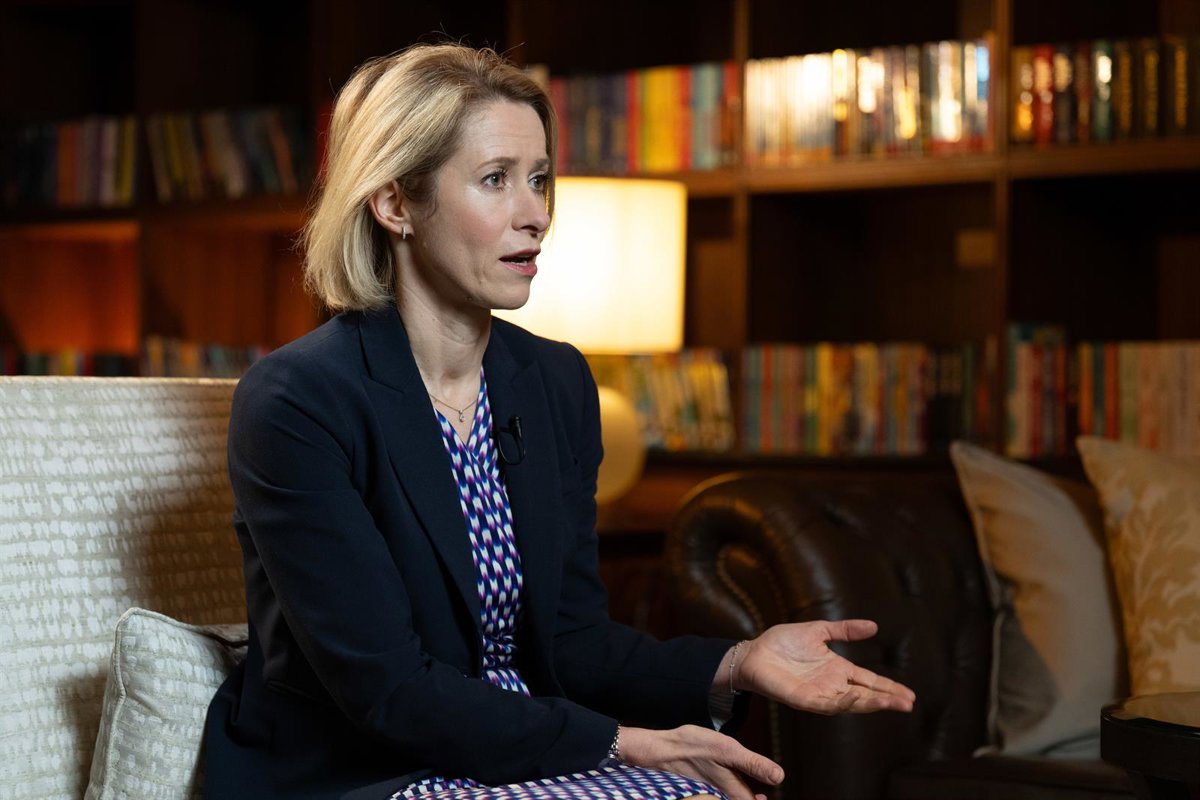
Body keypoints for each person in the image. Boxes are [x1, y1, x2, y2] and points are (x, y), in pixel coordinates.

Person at [202, 42, 915, 800]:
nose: (536, 214)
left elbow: (571, 640)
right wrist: (623, 745)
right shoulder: (298, 400)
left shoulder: (554, 381)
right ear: (395, 204)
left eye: (539, 179)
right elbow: (388, 689)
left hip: (530, 745)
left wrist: (738, 663)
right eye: (495, 180)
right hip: (365, 768)